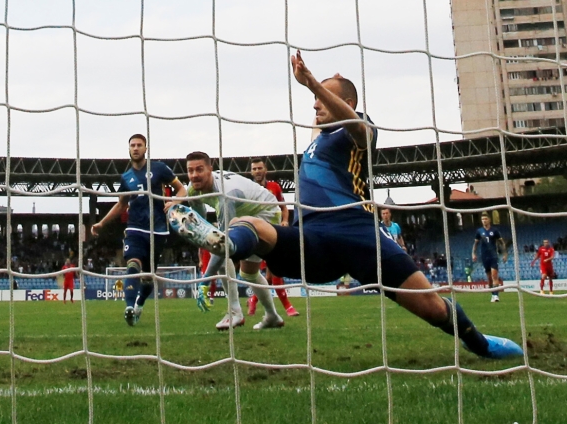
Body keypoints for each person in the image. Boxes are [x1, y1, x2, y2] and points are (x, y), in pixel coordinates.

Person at [167, 51, 522, 359]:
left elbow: (351, 119)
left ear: (346, 104)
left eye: (322, 101)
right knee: (251, 226)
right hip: (314, 241)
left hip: (358, 235)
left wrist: (315, 84)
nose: (315, 105)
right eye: (315, 101)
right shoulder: (314, 142)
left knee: (430, 306)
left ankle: (480, 343)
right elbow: (325, 110)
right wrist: (317, 83)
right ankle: (223, 242)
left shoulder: (360, 128)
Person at [91, 133, 187, 326]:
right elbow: (121, 205)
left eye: (139, 145)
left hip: (158, 231)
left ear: (146, 148)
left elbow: (182, 189)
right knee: (133, 264)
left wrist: (175, 201)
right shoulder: (125, 178)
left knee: (148, 277)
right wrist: (102, 223)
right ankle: (128, 307)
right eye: (132, 145)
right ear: (129, 149)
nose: (135, 148)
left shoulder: (159, 168)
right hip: (135, 229)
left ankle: (139, 305)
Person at [186, 152, 285, 331]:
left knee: (223, 252)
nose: (194, 175)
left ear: (210, 169)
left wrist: (204, 281)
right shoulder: (192, 189)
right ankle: (272, 316)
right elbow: (200, 213)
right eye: (190, 170)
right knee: (248, 273)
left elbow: (222, 245)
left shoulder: (226, 196)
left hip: (266, 212)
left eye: (199, 169)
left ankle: (235, 312)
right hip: (245, 214)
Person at [248, 158, 298, 318]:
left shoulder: (274, 187)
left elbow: (284, 208)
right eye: (254, 169)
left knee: (274, 271)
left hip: (274, 233)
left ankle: (282, 305)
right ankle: (282, 305)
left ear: (265, 170)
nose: (257, 171)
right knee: (268, 273)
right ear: (251, 172)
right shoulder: (248, 189)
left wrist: (284, 221)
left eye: (259, 168)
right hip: (256, 234)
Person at [471, 213, 507, 303]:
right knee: (489, 278)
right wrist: (473, 254)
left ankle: (496, 296)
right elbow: (476, 244)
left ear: (489, 220)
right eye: (482, 219)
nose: (484, 221)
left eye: (485, 219)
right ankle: (492, 294)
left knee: (494, 275)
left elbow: (502, 242)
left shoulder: (495, 231)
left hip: (493, 255)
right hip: (484, 256)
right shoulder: (479, 231)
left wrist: (505, 254)